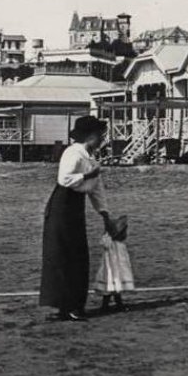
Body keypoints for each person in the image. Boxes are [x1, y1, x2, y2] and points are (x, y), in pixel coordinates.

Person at [39, 115, 116, 322]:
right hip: (61, 205)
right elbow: (64, 179)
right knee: (62, 255)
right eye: (100, 135)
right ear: (90, 136)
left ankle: (74, 306)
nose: (102, 139)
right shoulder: (73, 153)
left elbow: (97, 190)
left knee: (78, 255)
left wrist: (105, 215)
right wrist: (87, 176)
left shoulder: (91, 158)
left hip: (75, 206)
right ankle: (66, 307)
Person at [94, 215, 132, 313]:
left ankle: (108, 305)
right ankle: (114, 305)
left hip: (112, 269)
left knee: (111, 288)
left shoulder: (114, 243)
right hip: (113, 269)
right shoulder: (114, 244)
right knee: (113, 287)